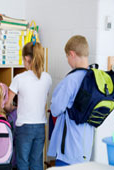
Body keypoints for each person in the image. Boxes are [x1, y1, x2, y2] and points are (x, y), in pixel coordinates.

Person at [47, 35, 94, 166]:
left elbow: (56, 109)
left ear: (72, 54)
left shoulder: (70, 80)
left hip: (68, 147)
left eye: (67, 56)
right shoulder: (94, 78)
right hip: (86, 147)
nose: (68, 60)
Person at [5, 42, 52, 170]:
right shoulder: (47, 78)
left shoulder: (19, 78)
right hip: (40, 126)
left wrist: (13, 108)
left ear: (27, 59)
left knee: (22, 162)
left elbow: (7, 104)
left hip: (24, 127)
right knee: (36, 162)